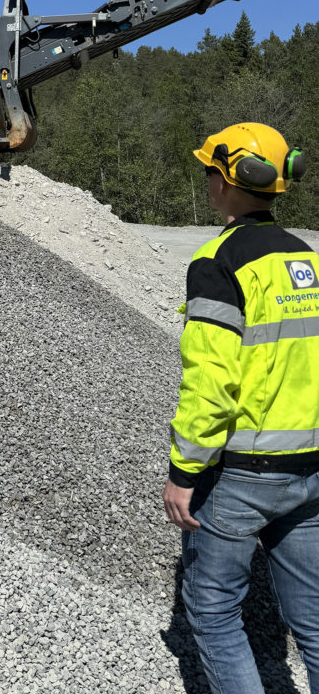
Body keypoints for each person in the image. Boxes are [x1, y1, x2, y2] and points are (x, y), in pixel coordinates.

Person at [163, 122, 319, 694]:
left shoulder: (219, 263)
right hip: (311, 472)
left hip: (243, 475)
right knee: (315, 624)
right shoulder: (307, 259)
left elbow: (211, 382)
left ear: (230, 180)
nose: (206, 181)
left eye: (210, 170)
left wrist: (184, 472)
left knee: (212, 612)